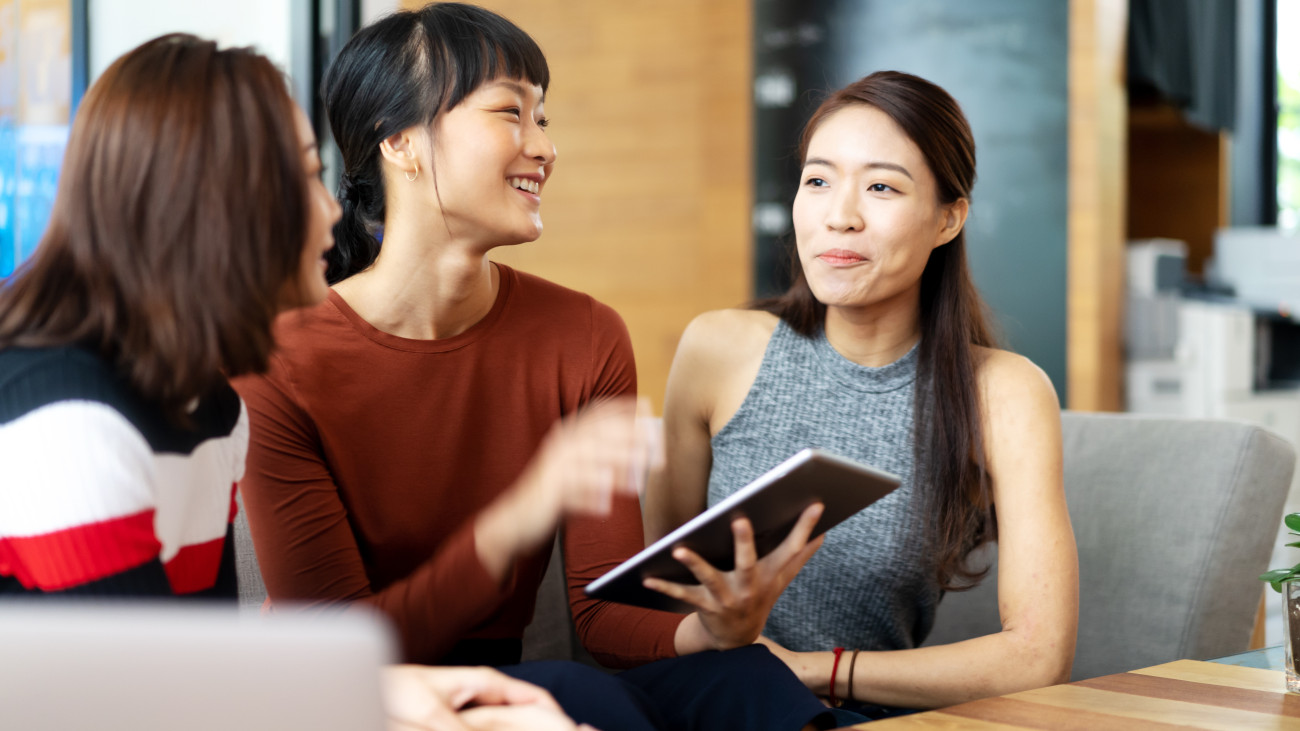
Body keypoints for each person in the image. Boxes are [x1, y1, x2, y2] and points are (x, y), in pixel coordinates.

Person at [233, 4, 833, 730]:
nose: (544, 147)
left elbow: (602, 616)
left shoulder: (584, 335)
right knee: (572, 694)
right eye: (510, 113)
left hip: (516, 679)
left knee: (742, 673)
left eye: (543, 119)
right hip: (352, 700)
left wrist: (715, 627)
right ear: (401, 142)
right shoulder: (276, 362)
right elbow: (340, 653)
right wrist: (521, 512)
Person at [0, 33, 583, 731]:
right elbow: (139, 706)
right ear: (216, 203)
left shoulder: (210, 407)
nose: (333, 210)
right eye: (305, 177)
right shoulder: (68, 422)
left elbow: (195, 667)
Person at [643, 70, 1079, 722]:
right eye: (817, 180)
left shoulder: (1004, 393)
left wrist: (809, 670)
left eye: (880, 187)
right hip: (695, 696)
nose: (838, 216)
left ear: (948, 218)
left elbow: (1038, 655)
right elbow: (655, 588)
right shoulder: (718, 349)